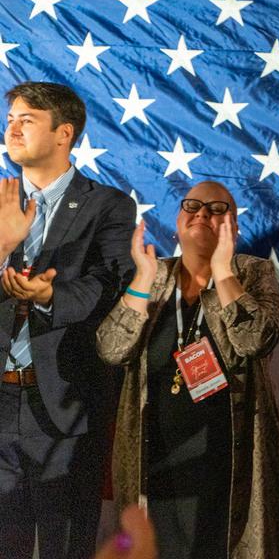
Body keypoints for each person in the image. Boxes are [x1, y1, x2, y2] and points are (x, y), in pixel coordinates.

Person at [96, 181, 279, 558]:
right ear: (177, 220)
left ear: (235, 227)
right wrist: (142, 280)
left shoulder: (253, 272)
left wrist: (223, 271)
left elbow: (255, 340)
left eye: (216, 209)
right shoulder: (152, 275)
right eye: (191, 206)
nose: (202, 214)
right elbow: (111, 349)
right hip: (155, 463)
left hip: (228, 465)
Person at [0, 82, 135, 558]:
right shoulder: (0, 204)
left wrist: (47, 295)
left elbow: (107, 289)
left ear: (64, 134)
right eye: (11, 117)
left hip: (65, 404)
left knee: (65, 544)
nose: (12, 128)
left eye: (27, 120)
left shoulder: (108, 206)